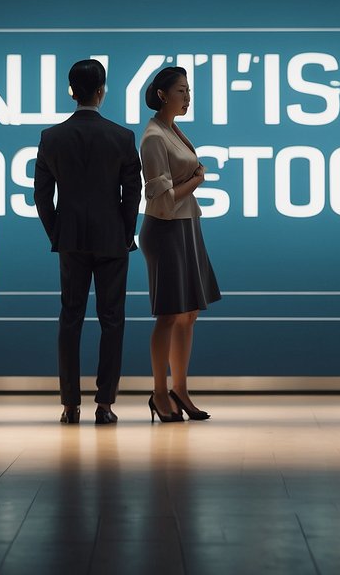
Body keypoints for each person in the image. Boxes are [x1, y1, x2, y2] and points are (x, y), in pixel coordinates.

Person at [33, 60, 143, 426]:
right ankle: (105, 403)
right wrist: (126, 232)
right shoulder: (122, 137)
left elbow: (42, 197)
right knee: (113, 321)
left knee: (70, 319)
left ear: (71, 90)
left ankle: (69, 405)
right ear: (102, 90)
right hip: (112, 237)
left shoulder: (52, 137)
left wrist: (57, 232)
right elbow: (133, 194)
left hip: (71, 238)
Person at [139, 66, 222, 423]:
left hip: (187, 225)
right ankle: (159, 392)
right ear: (162, 94)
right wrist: (198, 180)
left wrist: (192, 179)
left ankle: (180, 389)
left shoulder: (172, 129)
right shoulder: (154, 136)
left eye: (188, 91)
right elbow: (160, 199)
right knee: (170, 313)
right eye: (181, 91)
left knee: (189, 314)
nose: (187, 98)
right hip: (166, 227)